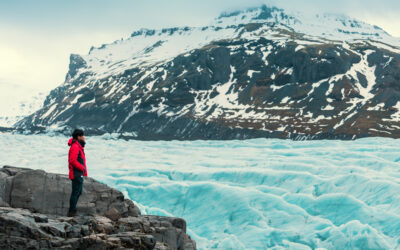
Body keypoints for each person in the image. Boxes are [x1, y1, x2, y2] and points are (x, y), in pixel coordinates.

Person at [67, 129, 88, 217]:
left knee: (78, 192)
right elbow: (72, 160)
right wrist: (81, 168)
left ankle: (72, 210)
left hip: (79, 173)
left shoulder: (78, 146)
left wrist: (83, 170)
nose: (84, 137)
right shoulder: (75, 146)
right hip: (76, 173)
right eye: (83, 135)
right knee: (75, 192)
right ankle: (72, 212)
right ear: (78, 137)